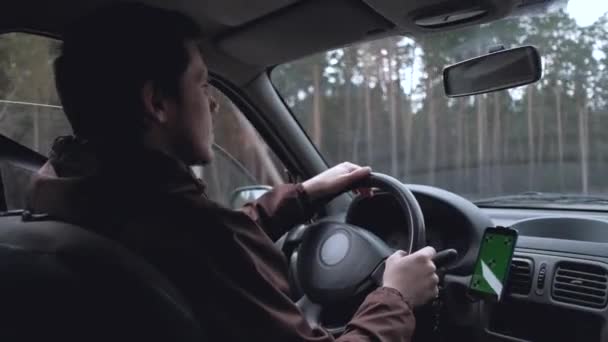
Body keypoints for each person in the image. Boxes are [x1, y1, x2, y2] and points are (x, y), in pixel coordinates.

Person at [26, 3, 439, 341]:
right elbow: (208, 244)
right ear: (157, 103)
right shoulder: (182, 230)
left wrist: (305, 193)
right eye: (203, 84)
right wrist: (395, 295)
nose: (213, 104)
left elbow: (209, 241)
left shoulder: (66, 198)